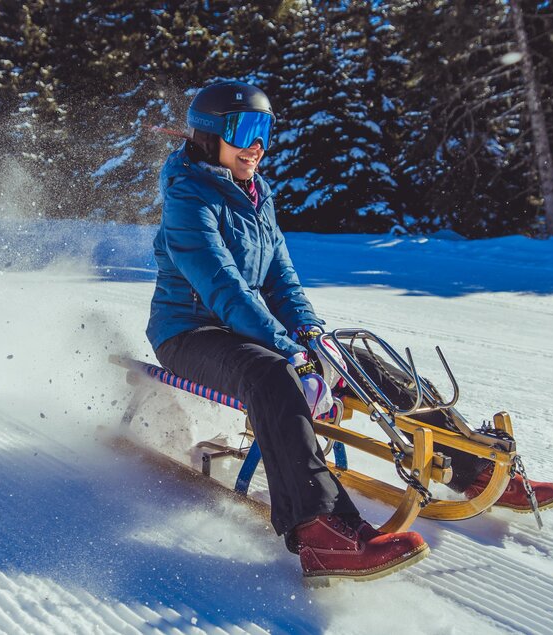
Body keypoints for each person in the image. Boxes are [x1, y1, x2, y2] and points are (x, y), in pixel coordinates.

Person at [146, 80, 428, 583]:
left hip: (243, 325)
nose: (257, 146)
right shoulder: (187, 198)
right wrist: (291, 352)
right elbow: (224, 289)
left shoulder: (257, 194)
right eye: (245, 129)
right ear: (210, 136)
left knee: (354, 356)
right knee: (273, 375)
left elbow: (281, 280)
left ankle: (471, 463)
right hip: (189, 332)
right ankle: (322, 532)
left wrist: (314, 337)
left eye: (265, 131)